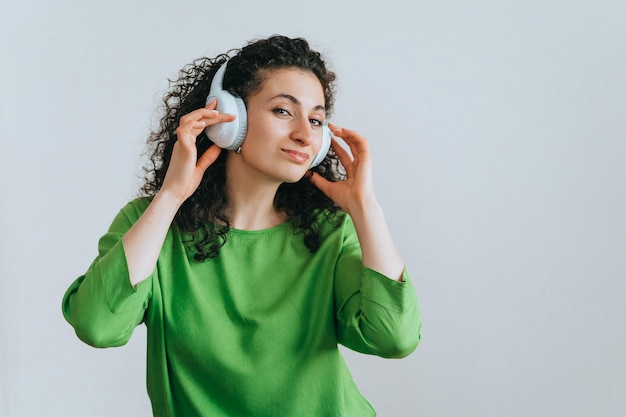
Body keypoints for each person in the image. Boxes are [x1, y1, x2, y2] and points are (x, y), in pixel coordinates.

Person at [62, 35, 422, 417]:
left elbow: (394, 338)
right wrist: (170, 197)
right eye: (284, 111)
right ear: (228, 118)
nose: (305, 132)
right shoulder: (151, 225)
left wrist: (365, 208)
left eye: (316, 119)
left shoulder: (330, 232)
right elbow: (98, 326)